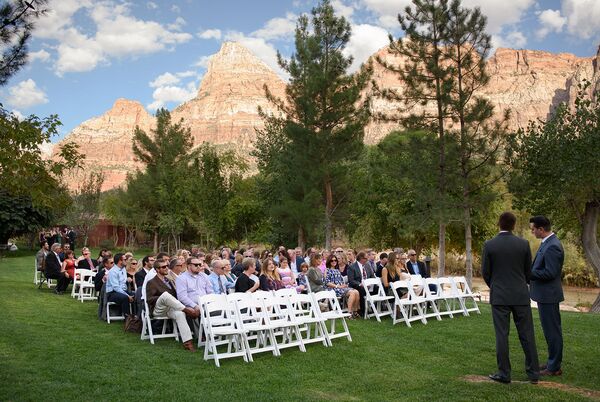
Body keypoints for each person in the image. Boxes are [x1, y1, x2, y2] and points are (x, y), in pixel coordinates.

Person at [482, 212, 539, 384]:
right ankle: (533, 373)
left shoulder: (490, 245)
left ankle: (504, 373)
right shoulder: (523, 244)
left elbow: (486, 272)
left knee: (502, 335)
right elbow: (528, 272)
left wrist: (496, 286)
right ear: (513, 225)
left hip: (500, 296)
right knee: (527, 334)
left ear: (499, 224)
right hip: (520, 294)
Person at [530, 215, 565, 377]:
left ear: (541, 229)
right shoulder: (547, 243)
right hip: (545, 295)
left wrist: (529, 273)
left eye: (533, 229)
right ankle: (552, 362)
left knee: (552, 331)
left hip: (549, 295)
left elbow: (550, 273)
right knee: (549, 331)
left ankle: (554, 367)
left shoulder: (553, 246)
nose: (532, 232)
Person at [146, 260, 198, 351]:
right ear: (157, 269)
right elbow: (149, 299)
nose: (166, 268)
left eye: (167, 266)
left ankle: (187, 342)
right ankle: (187, 310)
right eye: (163, 267)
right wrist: (164, 299)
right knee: (165, 295)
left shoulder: (169, 280)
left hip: (171, 308)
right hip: (158, 309)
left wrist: (171, 301)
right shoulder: (152, 282)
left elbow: (175, 296)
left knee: (180, 314)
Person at [347, 251, 375, 317]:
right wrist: (360, 284)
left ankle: (374, 308)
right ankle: (362, 310)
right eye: (365, 258)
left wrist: (370, 283)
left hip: (368, 285)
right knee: (361, 289)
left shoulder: (367, 265)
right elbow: (351, 280)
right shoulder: (352, 267)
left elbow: (372, 275)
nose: (367, 260)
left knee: (377, 287)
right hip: (358, 286)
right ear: (361, 258)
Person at [106, 253, 134, 317]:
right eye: (125, 259)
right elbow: (116, 287)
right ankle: (128, 318)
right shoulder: (113, 271)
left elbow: (122, 282)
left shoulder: (123, 269)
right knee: (125, 298)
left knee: (136, 295)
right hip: (112, 293)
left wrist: (127, 280)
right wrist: (127, 295)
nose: (127, 261)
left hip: (123, 291)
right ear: (120, 261)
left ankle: (136, 316)